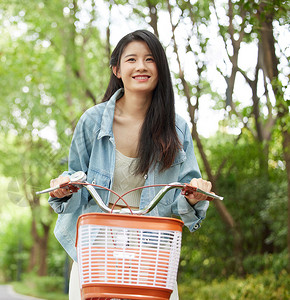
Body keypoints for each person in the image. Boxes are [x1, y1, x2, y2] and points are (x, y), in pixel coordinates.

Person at [47, 29, 212, 300]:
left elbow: (185, 198)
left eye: (150, 59)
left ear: (160, 68)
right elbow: (75, 175)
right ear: (117, 69)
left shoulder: (177, 128)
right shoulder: (92, 121)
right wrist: (63, 188)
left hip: (152, 246)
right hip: (97, 242)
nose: (141, 67)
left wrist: (196, 196)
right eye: (131, 59)